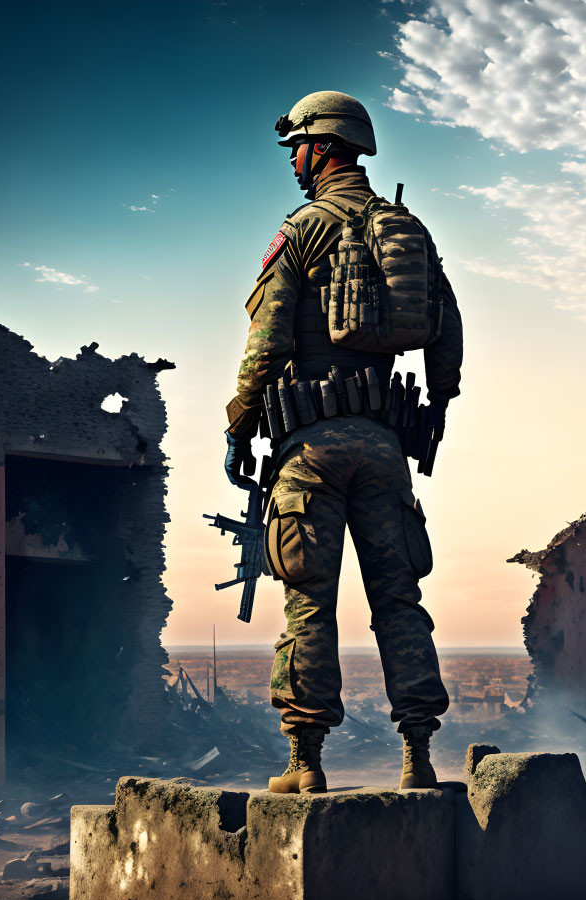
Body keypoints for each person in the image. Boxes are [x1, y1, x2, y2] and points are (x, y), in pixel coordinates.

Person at [222, 90, 464, 793]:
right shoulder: (405, 228)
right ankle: (418, 756)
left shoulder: (302, 231)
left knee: (308, 600)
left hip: (312, 450)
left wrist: (238, 424)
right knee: (399, 598)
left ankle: (305, 764)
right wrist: (438, 409)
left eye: (298, 147)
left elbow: (264, 346)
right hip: (385, 444)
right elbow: (445, 329)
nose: (294, 161)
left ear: (323, 146)